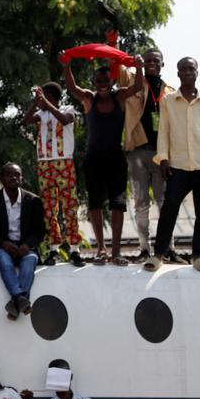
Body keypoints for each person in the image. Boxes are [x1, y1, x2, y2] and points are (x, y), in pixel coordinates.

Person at [146, 57, 200, 272]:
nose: (188, 72)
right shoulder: (168, 101)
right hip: (178, 165)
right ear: (178, 73)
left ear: (197, 72)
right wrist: (163, 157)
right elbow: (163, 131)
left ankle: (198, 256)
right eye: (184, 69)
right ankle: (158, 255)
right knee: (169, 209)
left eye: (191, 68)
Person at [63, 60, 144, 266]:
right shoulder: (89, 98)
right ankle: (101, 249)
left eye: (106, 80)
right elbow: (72, 88)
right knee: (95, 204)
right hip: (94, 159)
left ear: (112, 80)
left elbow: (137, 87)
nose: (102, 84)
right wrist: (66, 65)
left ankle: (116, 252)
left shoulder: (120, 96)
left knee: (118, 205)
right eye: (98, 81)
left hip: (116, 158)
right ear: (93, 82)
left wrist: (139, 66)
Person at [118, 50, 176, 260]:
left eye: (155, 61)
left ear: (162, 63)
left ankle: (167, 249)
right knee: (141, 202)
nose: (152, 63)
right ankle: (144, 248)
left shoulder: (169, 90)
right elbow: (117, 68)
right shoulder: (133, 80)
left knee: (164, 202)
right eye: (148, 60)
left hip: (162, 153)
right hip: (138, 150)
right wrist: (114, 43)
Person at [22, 82, 84, 266]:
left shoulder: (68, 109)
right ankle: (54, 248)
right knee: (49, 209)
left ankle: (74, 249)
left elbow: (65, 120)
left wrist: (46, 104)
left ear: (51, 96)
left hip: (64, 162)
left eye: (44, 96)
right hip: (44, 164)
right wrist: (36, 103)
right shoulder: (41, 114)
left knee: (70, 206)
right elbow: (25, 121)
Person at [0, 163, 45, 320]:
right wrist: (3, 244)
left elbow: (39, 232)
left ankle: (15, 302)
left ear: (21, 178)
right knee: (4, 261)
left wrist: (27, 245)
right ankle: (20, 298)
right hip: (2, 247)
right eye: (9, 174)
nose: (14, 177)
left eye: (17, 174)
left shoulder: (34, 201)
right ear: (1, 179)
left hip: (26, 248)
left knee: (29, 262)